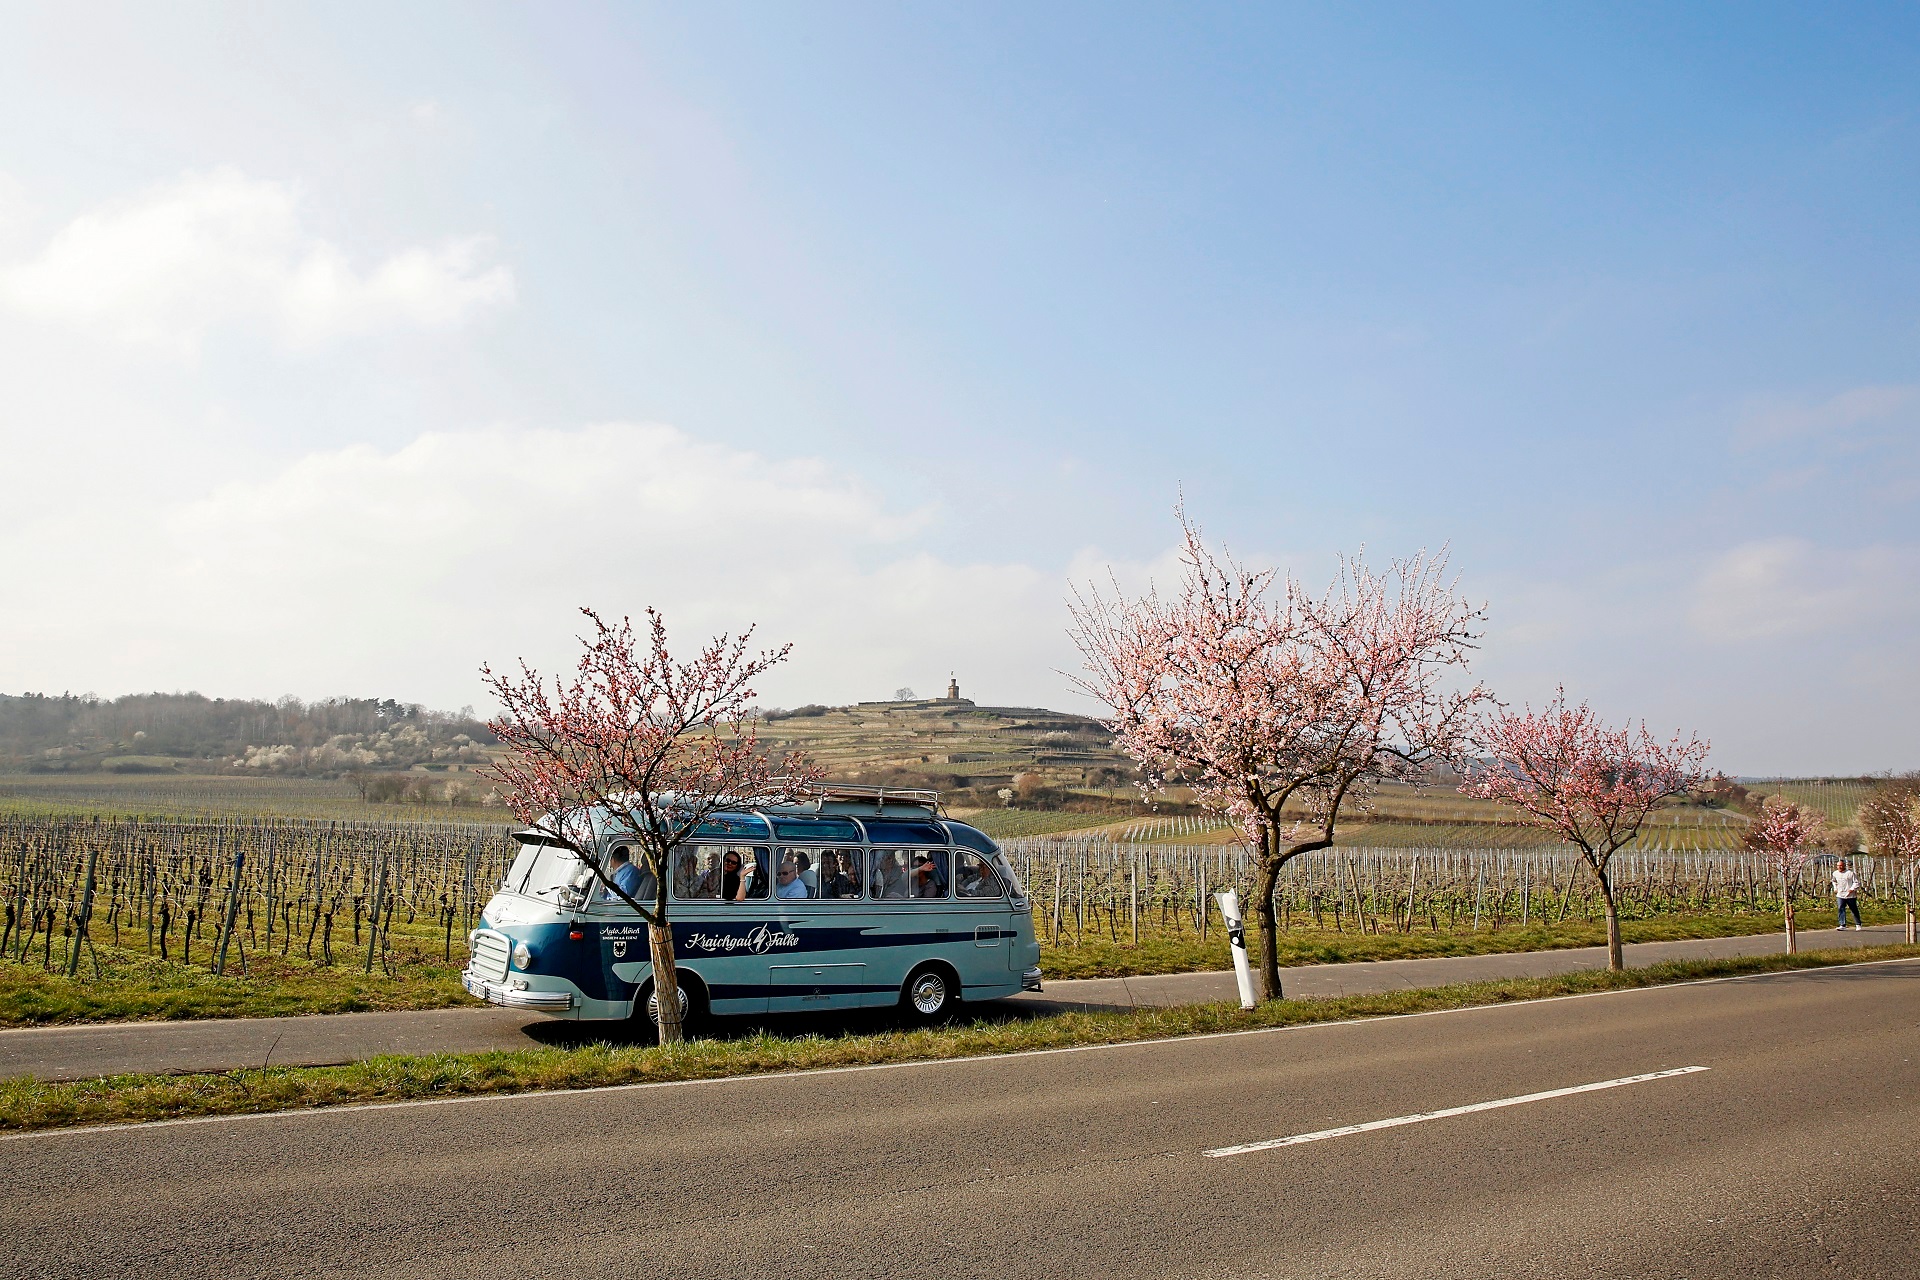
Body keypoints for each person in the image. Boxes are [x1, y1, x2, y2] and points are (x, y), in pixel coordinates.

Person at [1834, 858, 1864, 930]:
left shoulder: (1850, 873)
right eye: (1838, 866)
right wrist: (1835, 888)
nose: (1839, 867)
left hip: (1850, 895)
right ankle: (1842, 924)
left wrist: (1852, 889)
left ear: (1844, 866)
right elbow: (1834, 881)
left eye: (1841, 865)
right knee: (1840, 908)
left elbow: (1856, 882)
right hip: (1840, 894)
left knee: (1853, 909)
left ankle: (1858, 924)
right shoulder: (1835, 873)